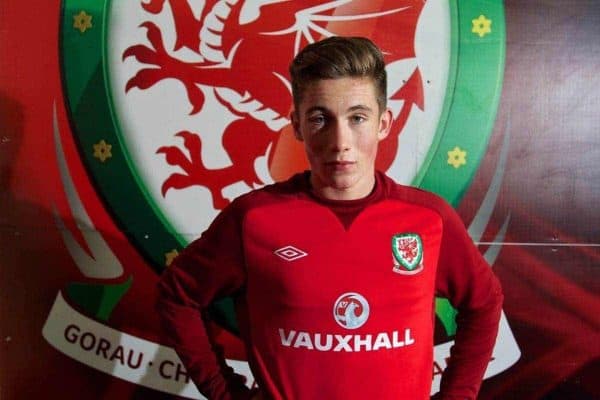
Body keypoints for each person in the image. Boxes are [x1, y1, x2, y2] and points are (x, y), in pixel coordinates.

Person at [157, 36, 503, 400]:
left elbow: (485, 302)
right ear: (296, 125)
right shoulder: (253, 219)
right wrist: (224, 392)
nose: (340, 141)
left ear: (384, 124)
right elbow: (177, 295)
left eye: (357, 118)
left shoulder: (428, 220)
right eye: (320, 118)